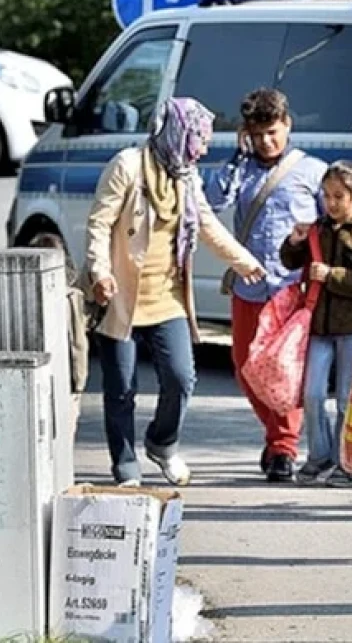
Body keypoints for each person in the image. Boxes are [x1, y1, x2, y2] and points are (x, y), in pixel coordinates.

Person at [87, 97, 264, 487]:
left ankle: (162, 443)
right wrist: (100, 273)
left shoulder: (186, 175)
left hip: (167, 297)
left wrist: (243, 260)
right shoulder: (127, 166)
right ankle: (124, 464)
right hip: (123, 296)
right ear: (177, 132)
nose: (202, 148)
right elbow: (99, 225)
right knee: (121, 388)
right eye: (198, 138)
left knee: (182, 377)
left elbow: (207, 224)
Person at [205, 88, 328, 483]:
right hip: (249, 283)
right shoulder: (242, 168)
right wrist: (238, 157)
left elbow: (333, 226)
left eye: (272, 132)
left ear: (287, 125)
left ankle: (283, 447)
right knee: (245, 368)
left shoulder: (313, 172)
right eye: (257, 135)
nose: (266, 141)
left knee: (283, 369)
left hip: (290, 287)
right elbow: (212, 201)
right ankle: (275, 434)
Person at [280, 163, 352, 488]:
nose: (331, 203)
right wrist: (295, 243)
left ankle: (346, 462)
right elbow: (290, 261)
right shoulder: (317, 230)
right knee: (311, 394)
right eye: (326, 196)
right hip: (318, 328)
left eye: (339, 196)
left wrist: (332, 275)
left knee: (345, 399)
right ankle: (319, 455)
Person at [29, 232, 88, 441]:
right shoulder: (72, 298)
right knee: (63, 435)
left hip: (57, 380)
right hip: (68, 380)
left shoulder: (70, 297)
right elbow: (79, 342)